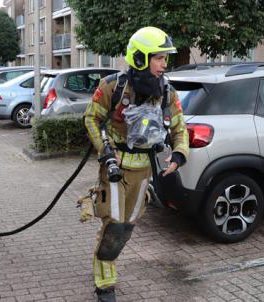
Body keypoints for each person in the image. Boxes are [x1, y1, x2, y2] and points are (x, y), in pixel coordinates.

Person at [84, 27, 189, 302]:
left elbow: (179, 128)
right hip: (115, 168)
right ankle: (105, 282)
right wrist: (104, 150)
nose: (165, 64)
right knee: (115, 224)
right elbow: (91, 119)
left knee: (127, 226)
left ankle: (105, 255)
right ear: (141, 58)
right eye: (159, 58)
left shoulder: (167, 91)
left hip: (144, 170)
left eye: (166, 58)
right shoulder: (113, 87)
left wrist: (178, 155)